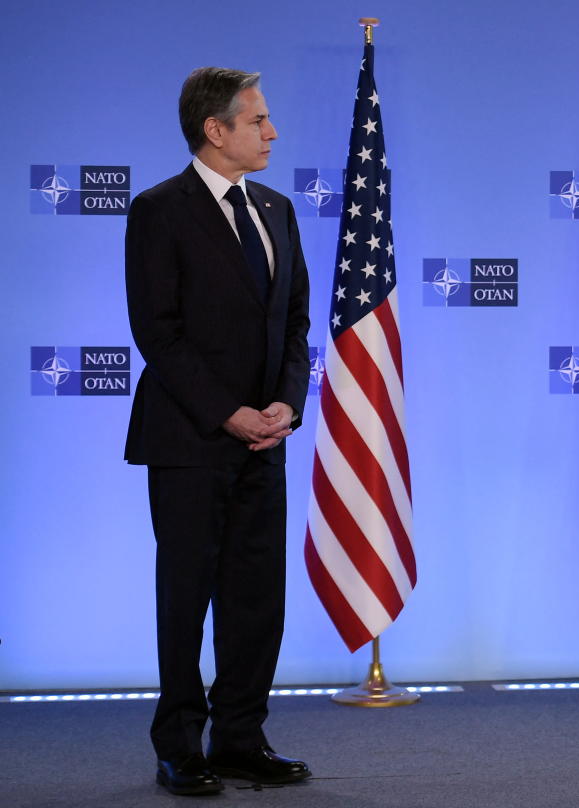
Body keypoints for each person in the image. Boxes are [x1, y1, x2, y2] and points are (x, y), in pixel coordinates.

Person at [125, 67, 312, 796]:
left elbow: (294, 323)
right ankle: (180, 746)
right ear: (215, 129)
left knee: (256, 599)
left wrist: (286, 407)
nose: (272, 132)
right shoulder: (158, 210)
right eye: (258, 120)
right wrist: (226, 412)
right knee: (185, 597)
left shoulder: (278, 209)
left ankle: (240, 738)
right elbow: (158, 333)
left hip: (266, 440)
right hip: (189, 440)